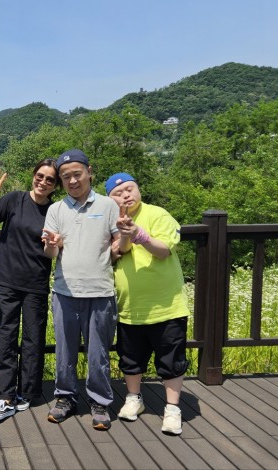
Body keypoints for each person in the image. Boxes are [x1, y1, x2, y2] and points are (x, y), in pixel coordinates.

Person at [106, 172, 190, 436]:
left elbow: (164, 249)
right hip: (130, 306)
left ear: (138, 190)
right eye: (118, 193)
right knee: (130, 358)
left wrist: (138, 234)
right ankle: (134, 398)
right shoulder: (110, 220)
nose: (125, 195)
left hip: (166, 305)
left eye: (129, 189)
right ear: (110, 199)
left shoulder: (157, 214)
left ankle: (172, 408)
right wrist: (122, 238)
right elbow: (114, 253)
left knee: (171, 359)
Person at [41, 149, 120, 430]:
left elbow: (119, 241)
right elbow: (50, 253)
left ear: (89, 172)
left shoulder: (108, 205)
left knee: (98, 353)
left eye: (77, 174)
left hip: (100, 291)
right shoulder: (56, 209)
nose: (72, 181)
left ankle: (100, 401)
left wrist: (120, 244)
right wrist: (53, 244)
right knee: (65, 352)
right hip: (65, 292)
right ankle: (65, 398)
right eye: (66, 177)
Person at [0, 160, 57, 422]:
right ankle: (4, 396)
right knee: (5, 338)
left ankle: (27, 392)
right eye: (40, 176)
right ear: (33, 176)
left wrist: (54, 244)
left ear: (55, 185)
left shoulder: (55, 211)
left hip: (36, 283)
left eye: (49, 179)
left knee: (34, 340)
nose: (43, 182)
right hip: (6, 280)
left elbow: (54, 249)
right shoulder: (14, 200)